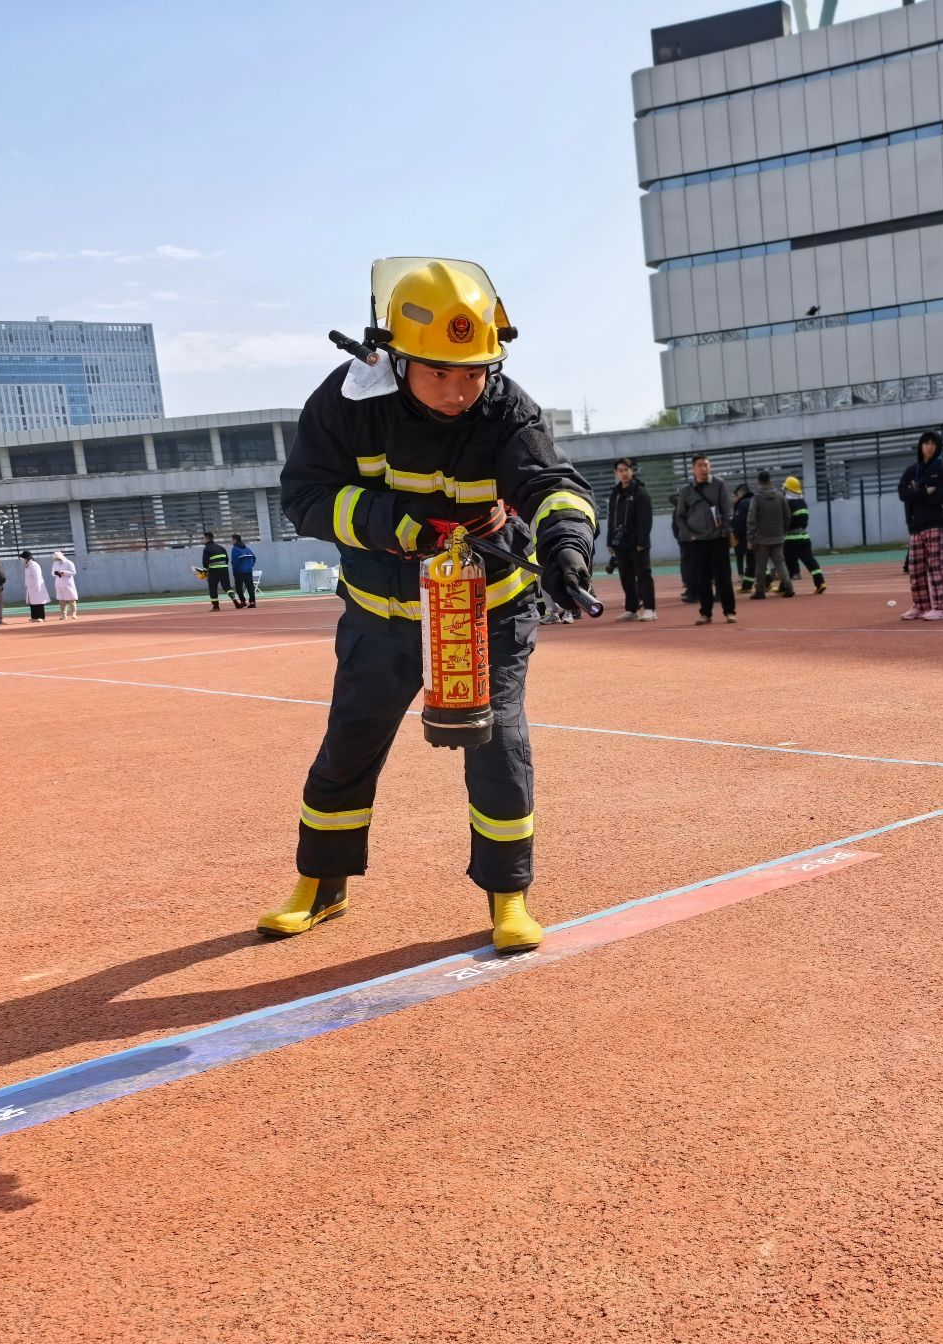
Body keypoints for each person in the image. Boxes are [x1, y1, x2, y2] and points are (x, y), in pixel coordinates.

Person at [259, 256, 598, 951]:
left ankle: (509, 897)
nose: (458, 391)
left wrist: (567, 546)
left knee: (500, 748)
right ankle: (320, 886)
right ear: (393, 355)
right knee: (349, 746)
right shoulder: (346, 404)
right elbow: (304, 497)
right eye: (440, 372)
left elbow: (554, 484)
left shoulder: (508, 407)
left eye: (473, 372)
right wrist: (395, 525)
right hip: (381, 619)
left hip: (488, 613)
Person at [897, 429, 943, 621]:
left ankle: (941, 606)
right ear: (920, 445)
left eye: (933, 443)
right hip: (915, 525)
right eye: (926, 443)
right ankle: (921, 605)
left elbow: (940, 496)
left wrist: (915, 492)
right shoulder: (911, 470)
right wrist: (924, 491)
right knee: (915, 569)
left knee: (937, 567)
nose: (929, 447)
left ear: (938, 447)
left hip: (936, 523)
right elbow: (902, 494)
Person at [673, 453, 737, 625]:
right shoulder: (686, 490)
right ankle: (705, 613)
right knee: (702, 579)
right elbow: (680, 517)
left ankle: (729, 611)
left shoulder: (719, 484)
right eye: (700, 465)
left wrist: (724, 531)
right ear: (693, 468)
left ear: (710, 466)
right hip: (698, 542)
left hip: (718, 539)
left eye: (706, 465)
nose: (704, 468)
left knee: (724, 577)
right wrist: (690, 535)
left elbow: (727, 509)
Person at [607, 458, 655, 620]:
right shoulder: (615, 493)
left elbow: (646, 519)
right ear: (616, 473)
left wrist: (643, 541)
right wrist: (610, 541)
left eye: (626, 470)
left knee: (643, 575)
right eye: (620, 471)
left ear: (632, 471)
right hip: (620, 543)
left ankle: (650, 609)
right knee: (626, 577)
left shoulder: (640, 492)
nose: (624, 473)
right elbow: (611, 518)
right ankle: (632, 610)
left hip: (637, 543)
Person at [746, 471, 794, 598]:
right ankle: (788, 587)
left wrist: (750, 538)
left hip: (761, 538)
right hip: (778, 536)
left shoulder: (756, 498)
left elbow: (751, 519)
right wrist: (782, 530)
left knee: (760, 566)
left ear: (759, 482)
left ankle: (760, 591)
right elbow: (787, 516)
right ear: (770, 480)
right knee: (780, 563)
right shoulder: (780, 497)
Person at [779, 474, 827, 594]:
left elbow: (785, 522)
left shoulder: (787, 504)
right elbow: (804, 522)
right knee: (810, 561)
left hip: (791, 539)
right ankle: (820, 583)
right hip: (804, 537)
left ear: (787, 489)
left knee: (789, 564)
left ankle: (783, 588)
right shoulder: (802, 502)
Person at [200, 532, 234, 609]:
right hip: (224, 569)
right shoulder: (221, 547)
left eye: (203, 538)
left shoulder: (207, 548)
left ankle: (216, 606)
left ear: (207, 538)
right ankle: (233, 598)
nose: (203, 539)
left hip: (213, 570)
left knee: (213, 587)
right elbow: (227, 559)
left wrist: (206, 573)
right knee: (226, 586)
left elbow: (205, 563)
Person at [731, 480, 754, 587]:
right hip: (759, 535)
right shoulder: (755, 500)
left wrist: (735, 536)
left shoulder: (742, 504)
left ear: (740, 493)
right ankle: (748, 583)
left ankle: (765, 581)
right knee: (757, 559)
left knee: (750, 560)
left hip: (745, 537)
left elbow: (739, 522)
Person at [229, 536, 258, 608]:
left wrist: (235, 570)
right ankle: (252, 602)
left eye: (231, 540)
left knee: (238, 587)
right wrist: (250, 566)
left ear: (235, 540)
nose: (230, 541)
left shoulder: (235, 549)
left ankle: (242, 601)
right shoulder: (247, 548)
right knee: (250, 587)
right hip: (248, 571)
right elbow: (254, 558)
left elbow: (234, 561)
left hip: (239, 571)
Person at [19, 549, 48, 621]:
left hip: (36, 587)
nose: (22, 560)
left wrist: (37, 586)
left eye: (23, 558)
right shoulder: (28, 566)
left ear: (27, 558)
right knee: (32, 603)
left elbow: (37, 576)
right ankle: (34, 617)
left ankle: (41, 617)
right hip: (31, 588)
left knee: (39, 603)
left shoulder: (34, 565)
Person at [51, 550, 79, 618]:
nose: (57, 560)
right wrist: (56, 573)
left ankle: (73, 614)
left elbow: (73, 572)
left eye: (58, 559)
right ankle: (63, 615)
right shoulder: (55, 564)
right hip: (59, 583)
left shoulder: (69, 563)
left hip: (68, 583)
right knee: (61, 600)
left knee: (71, 599)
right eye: (55, 559)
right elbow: (52, 573)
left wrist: (64, 572)